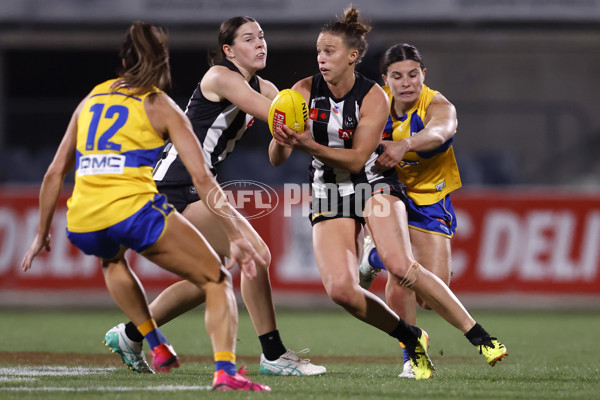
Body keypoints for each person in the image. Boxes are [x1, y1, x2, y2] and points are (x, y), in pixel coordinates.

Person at [20, 22, 270, 392]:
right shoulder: (160, 103)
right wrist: (234, 233)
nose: (259, 43)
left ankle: (147, 338)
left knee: (113, 261)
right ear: (163, 62)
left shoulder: (91, 99)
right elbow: (203, 177)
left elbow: (55, 171)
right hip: (140, 206)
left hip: (83, 215)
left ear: (123, 60)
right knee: (217, 278)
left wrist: (41, 233)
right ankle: (228, 370)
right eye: (249, 38)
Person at [268, 7, 507, 380]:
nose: (320, 58)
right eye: (318, 51)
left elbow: (359, 158)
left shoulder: (373, 97)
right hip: (328, 192)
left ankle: (480, 336)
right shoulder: (301, 91)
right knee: (341, 292)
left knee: (401, 267)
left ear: (352, 56)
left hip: (372, 182)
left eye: (329, 51)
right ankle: (412, 340)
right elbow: (277, 158)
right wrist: (281, 137)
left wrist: (306, 145)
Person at [103, 16, 326, 377]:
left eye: (262, 37)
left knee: (209, 276)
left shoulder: (264, 86)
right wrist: (306, 120)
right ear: (228, 50)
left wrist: (295, 132)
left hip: (193, 182)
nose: (260, 44)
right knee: (255, 254)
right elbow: (277, 115)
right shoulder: (220, 77)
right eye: (249, 39)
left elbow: (280, 146)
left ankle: (130, 334)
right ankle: (273, 354)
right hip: (177, 183)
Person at [357, 43, 472, 378]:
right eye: (397, 76)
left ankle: (373, 257)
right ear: (385, 79)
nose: (406, 82)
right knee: (402, 273)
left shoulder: (438, 104)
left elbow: (441, 131)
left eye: (412, 74)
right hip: (386, 192)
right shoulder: (373, 104)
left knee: (430, 296)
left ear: (424, 75)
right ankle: (412, 357)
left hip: (430, 198)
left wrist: (405, 143)